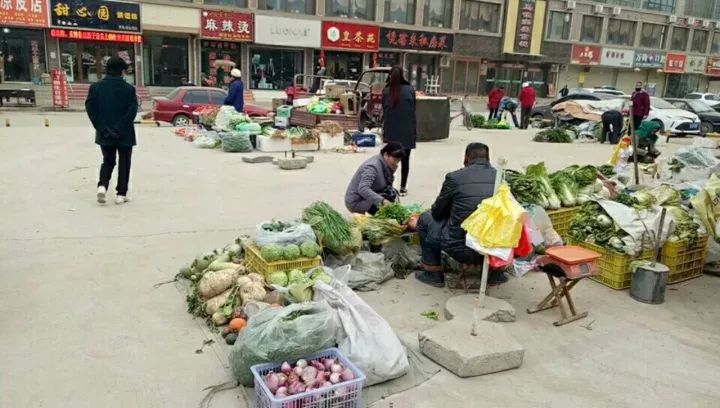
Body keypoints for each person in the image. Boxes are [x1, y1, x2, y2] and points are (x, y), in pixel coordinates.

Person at [415, 143, 507, 288]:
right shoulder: (501, 178)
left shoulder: (455, 178)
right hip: (494, 248)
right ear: (488, 158)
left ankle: (433, 272)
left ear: (466, 158)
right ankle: (496, 272)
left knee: (425, 219)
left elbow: (437, 212)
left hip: (461, 248)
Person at [85, 56, 138, 205]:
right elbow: (131, 111)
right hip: (125, 134)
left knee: (108, 161)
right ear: (122, 71)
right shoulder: (129, 89)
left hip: (104, 133)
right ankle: (121, 194)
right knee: (124, 162)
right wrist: (119, 128)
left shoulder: (95, 88)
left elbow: (91, 109)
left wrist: (102, 128)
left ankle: (102, 185)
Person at [382, 66, 416, 197]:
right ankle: (403, 188)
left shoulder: (386, 91)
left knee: (390, 160)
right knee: (405, 161)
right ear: (403, 75)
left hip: (391, 132)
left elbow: (385, 112)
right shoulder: (409, 89)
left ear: (390, 76)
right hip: (407, 130)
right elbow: (413, 111)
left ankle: (388, 186)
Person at [345, 142, 404, 215]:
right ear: (386, 155)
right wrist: (382, 201)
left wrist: (391, 170)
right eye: (395, 160)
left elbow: (388, 185)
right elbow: (363, 189)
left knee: (393, 195)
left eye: (398, 161)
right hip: (357, 201)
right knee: (388, 208)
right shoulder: (372, 167)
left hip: (370, 195)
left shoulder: (385, 164)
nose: (396, 163)